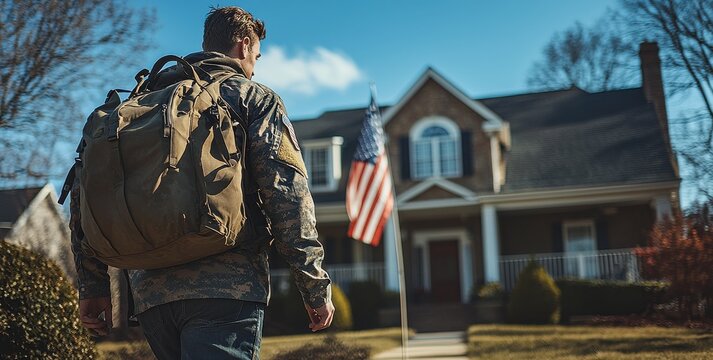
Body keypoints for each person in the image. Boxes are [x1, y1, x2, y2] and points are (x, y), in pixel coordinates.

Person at [70, 6, 334, 359]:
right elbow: (287, 195)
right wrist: (314, 285)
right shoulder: (251, 96)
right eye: (257, 56)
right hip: (227, 289)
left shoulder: (141, 103)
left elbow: (85, 192)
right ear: (243, 46)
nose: (255, 64)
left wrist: (93, 285)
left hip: (153, 295)